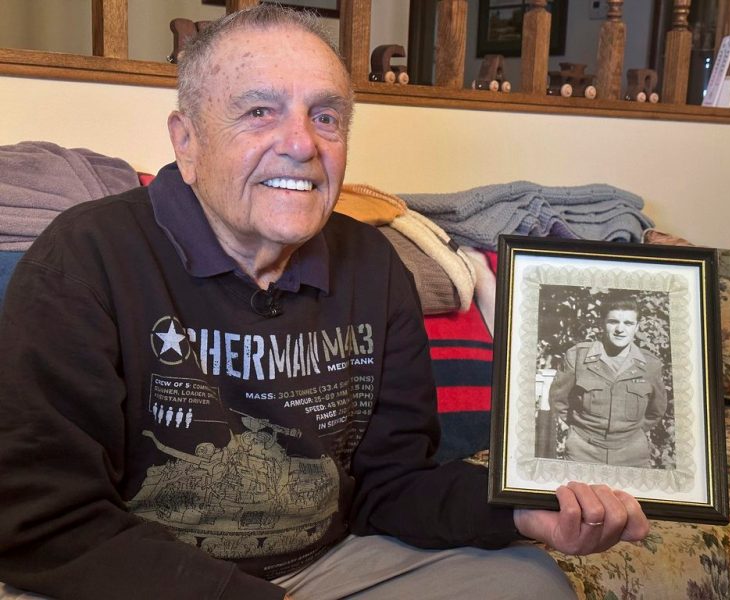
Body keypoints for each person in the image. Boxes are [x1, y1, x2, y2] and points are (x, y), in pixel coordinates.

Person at [0, 6, 650, 600]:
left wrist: (518, 511)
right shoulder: (83, 258)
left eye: (326, 115)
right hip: (140, 575)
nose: (303, 143)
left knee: (529, 585)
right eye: (259, 112)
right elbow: (42, 520)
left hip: (327, 565)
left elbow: (391, 485)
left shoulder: (372, 265)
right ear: (187, 140)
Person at [550, 295, 668, 467]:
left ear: (636, 327)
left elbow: (656, 410)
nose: (620, 329)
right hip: (583, 451)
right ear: (602, 323)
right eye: (613, 322)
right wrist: (579, 432)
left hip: (632, 454)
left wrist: (629, 434)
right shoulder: (578, 357)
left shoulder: (650, 364)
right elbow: (558, 400)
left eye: (628, 323)